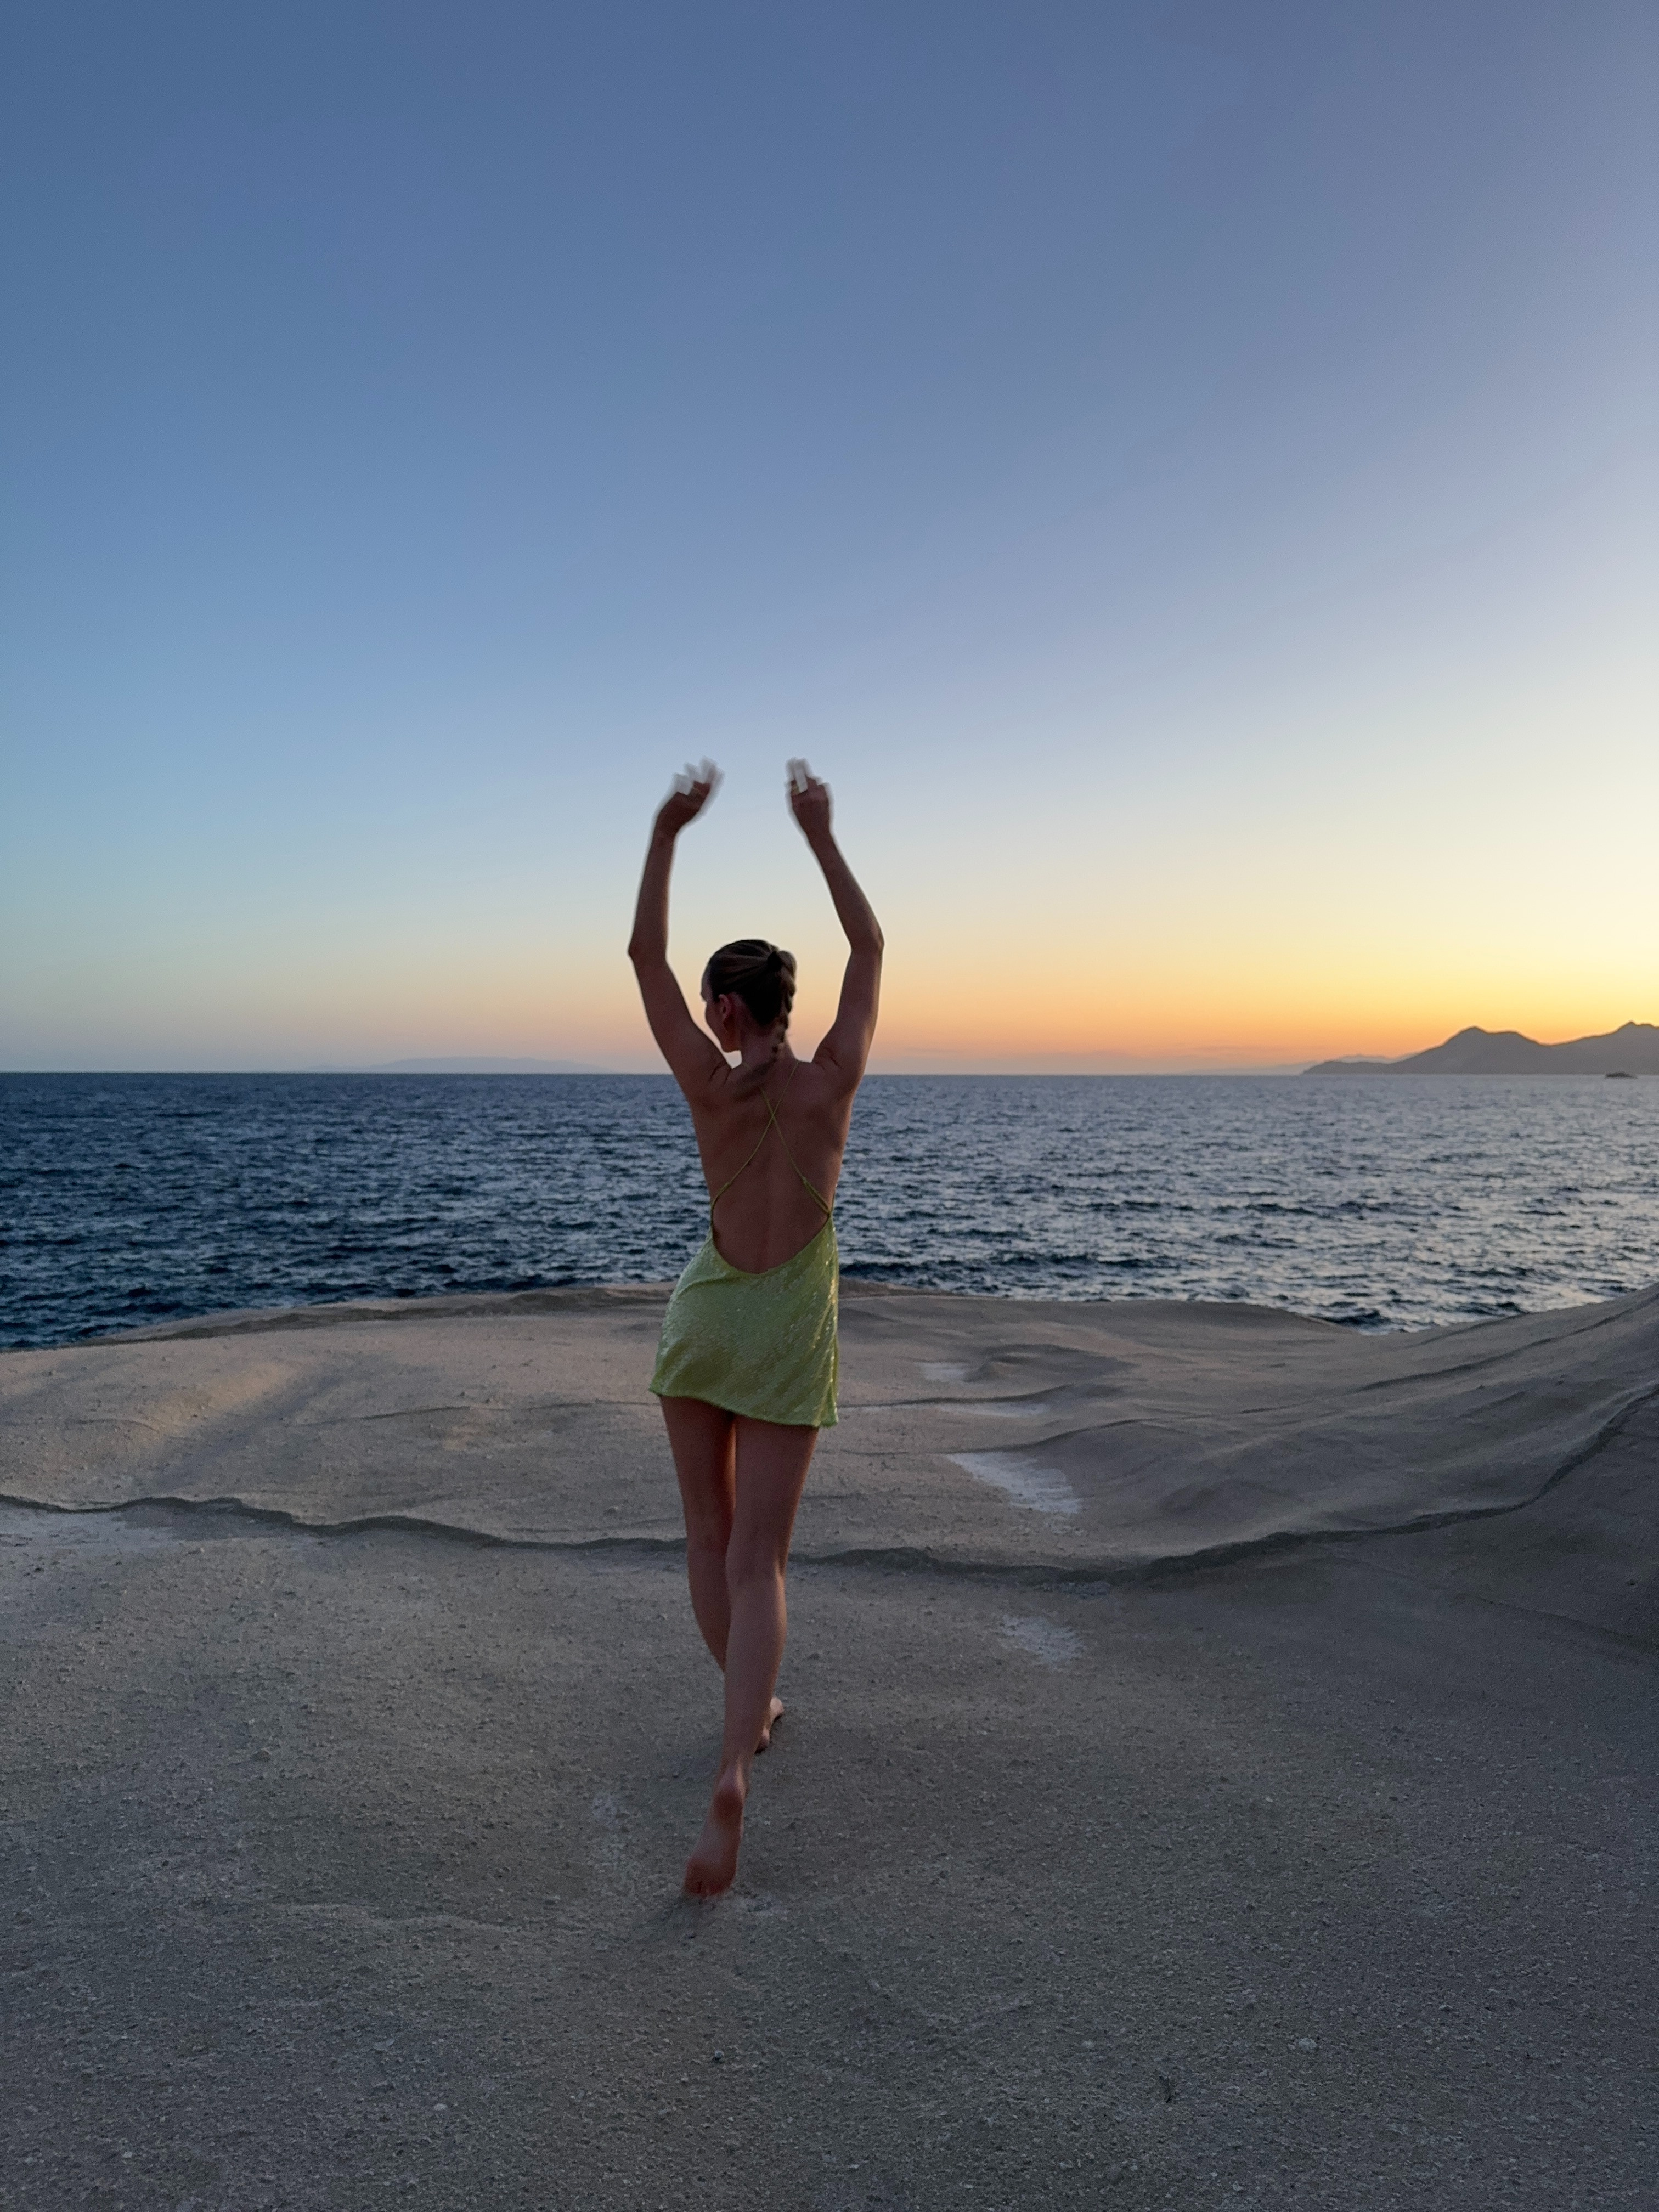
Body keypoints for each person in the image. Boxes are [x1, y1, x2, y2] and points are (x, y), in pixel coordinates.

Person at [628, 757, 883, 1896]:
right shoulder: (831, 1079)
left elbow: (641, 959)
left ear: (723, 1011)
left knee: (706, 1538)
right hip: (786, 1326)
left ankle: (751, 1708)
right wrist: (820, 835)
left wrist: (668, 829)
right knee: (762, 1558)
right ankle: (737, 1758)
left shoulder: (702, 1079)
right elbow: (871, 954)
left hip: (706, 1316)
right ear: (786, 1006)